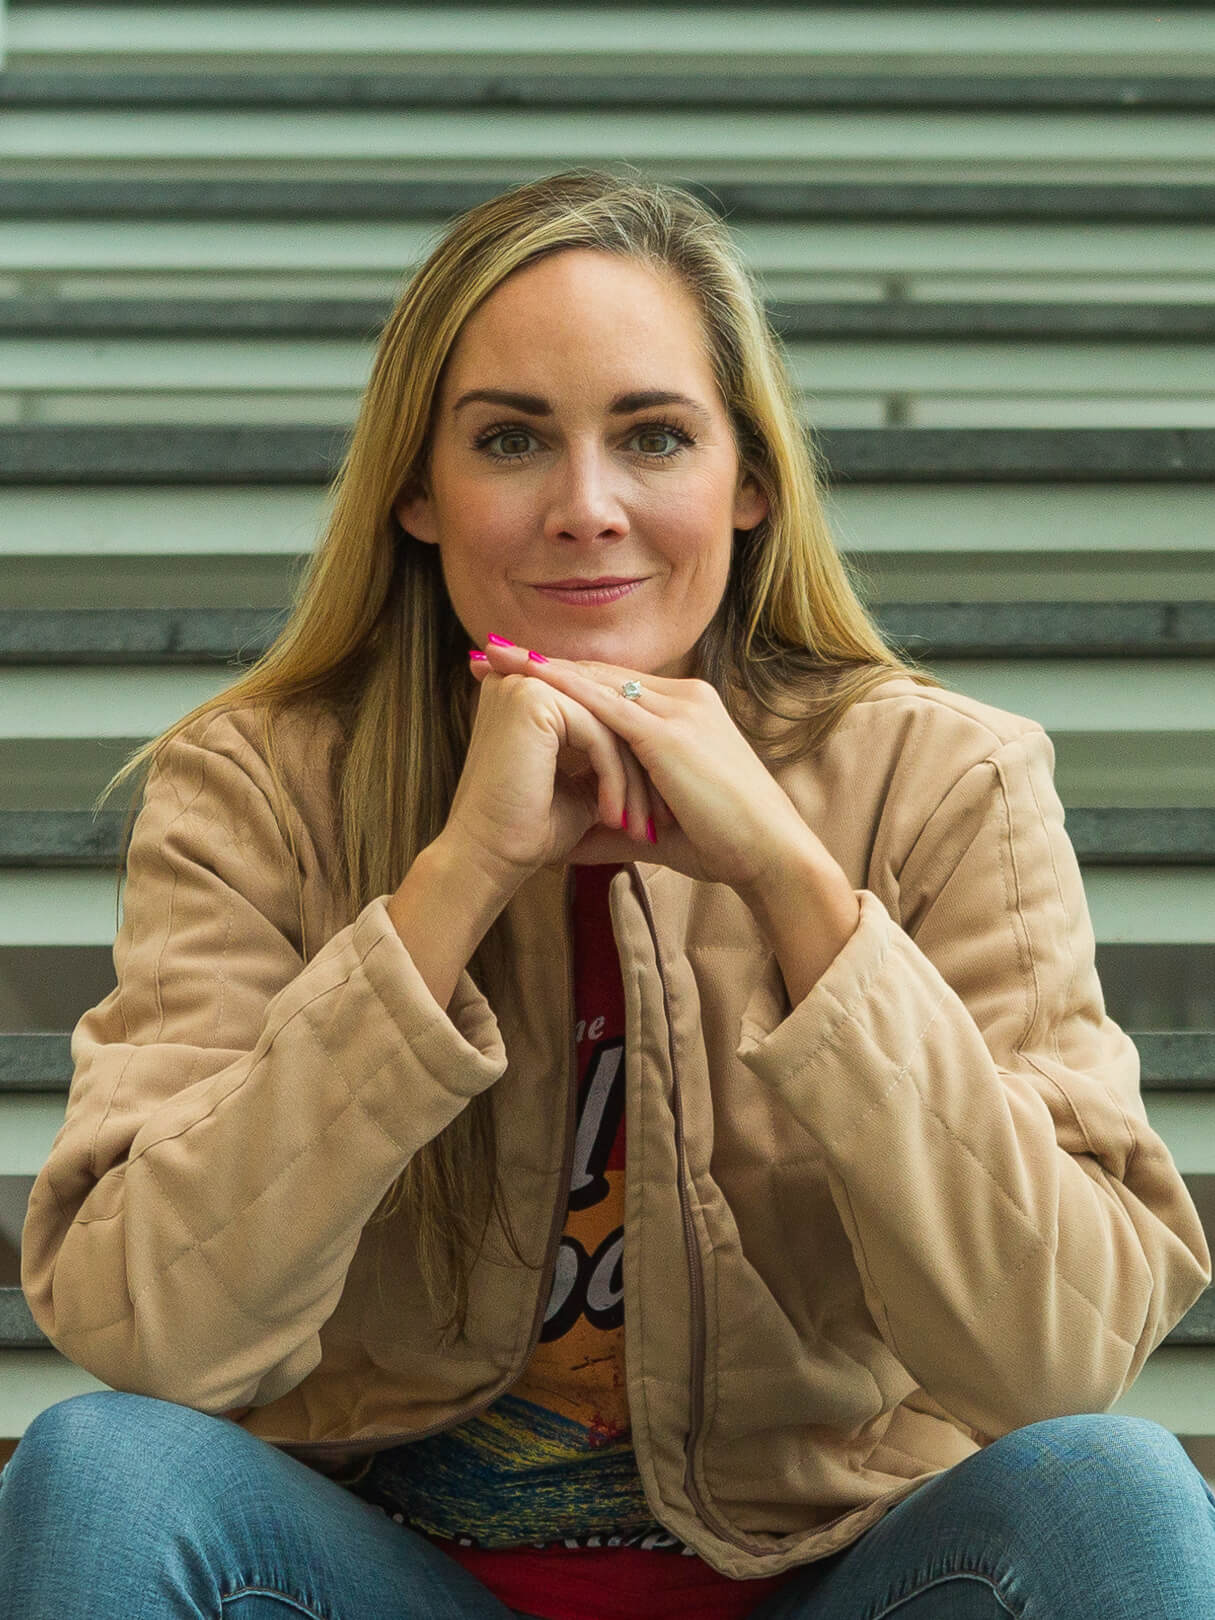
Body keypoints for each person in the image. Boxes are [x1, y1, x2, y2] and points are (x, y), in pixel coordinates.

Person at [2, 167, 1212, 1620]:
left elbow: (1057, 1357)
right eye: (511, 440)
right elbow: (154, 1334)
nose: (587, 509)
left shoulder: (943, 781)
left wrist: (794, 884)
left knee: (1118, 1493)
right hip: (376, 1580)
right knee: (99, 1475)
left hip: (836, 1585)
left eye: (653, 436)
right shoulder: (260, 787)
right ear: (417, 492)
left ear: (747, 481)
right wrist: (452, 885)